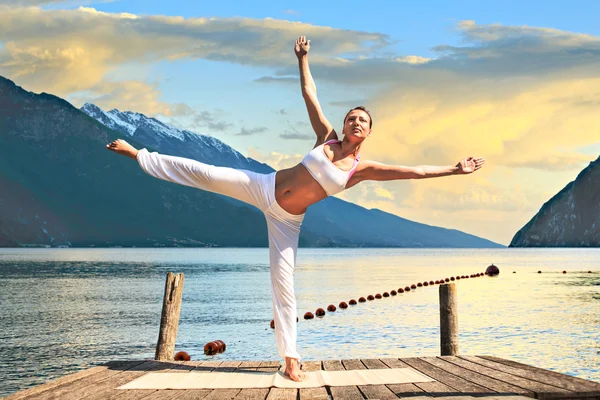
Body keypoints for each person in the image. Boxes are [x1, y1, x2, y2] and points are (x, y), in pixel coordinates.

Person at [106, 36, 485, 382]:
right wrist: (303, 59)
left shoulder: (361, 169)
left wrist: (455, 169)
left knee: (284, 288)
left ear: (368, 133)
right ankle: (139, 154)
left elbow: (414, 171)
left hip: (287, 220)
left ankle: (291, 358)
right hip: (264, 186)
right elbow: (309, 94)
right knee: (206, 172)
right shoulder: (326, 137)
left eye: (363, 121)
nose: (356, 122)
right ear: (344, 123)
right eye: (352, 117)